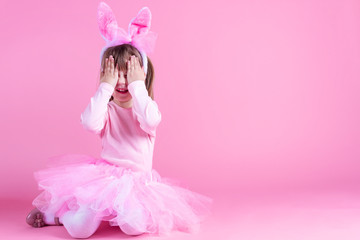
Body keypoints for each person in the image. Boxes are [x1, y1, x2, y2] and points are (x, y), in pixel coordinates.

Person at [26, 2, 213, 238]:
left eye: (129, 74)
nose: (122, 82)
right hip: (104, 178)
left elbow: (152, 120)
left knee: (133, 226)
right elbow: (89, 123)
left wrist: (138, 85)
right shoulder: (106, 108)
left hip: (138, 184)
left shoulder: (144, 108)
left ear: (140, 75)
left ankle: (113, 213)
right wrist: (105, 86)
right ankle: (58, 216)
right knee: (80, 230)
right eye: (116, 74)